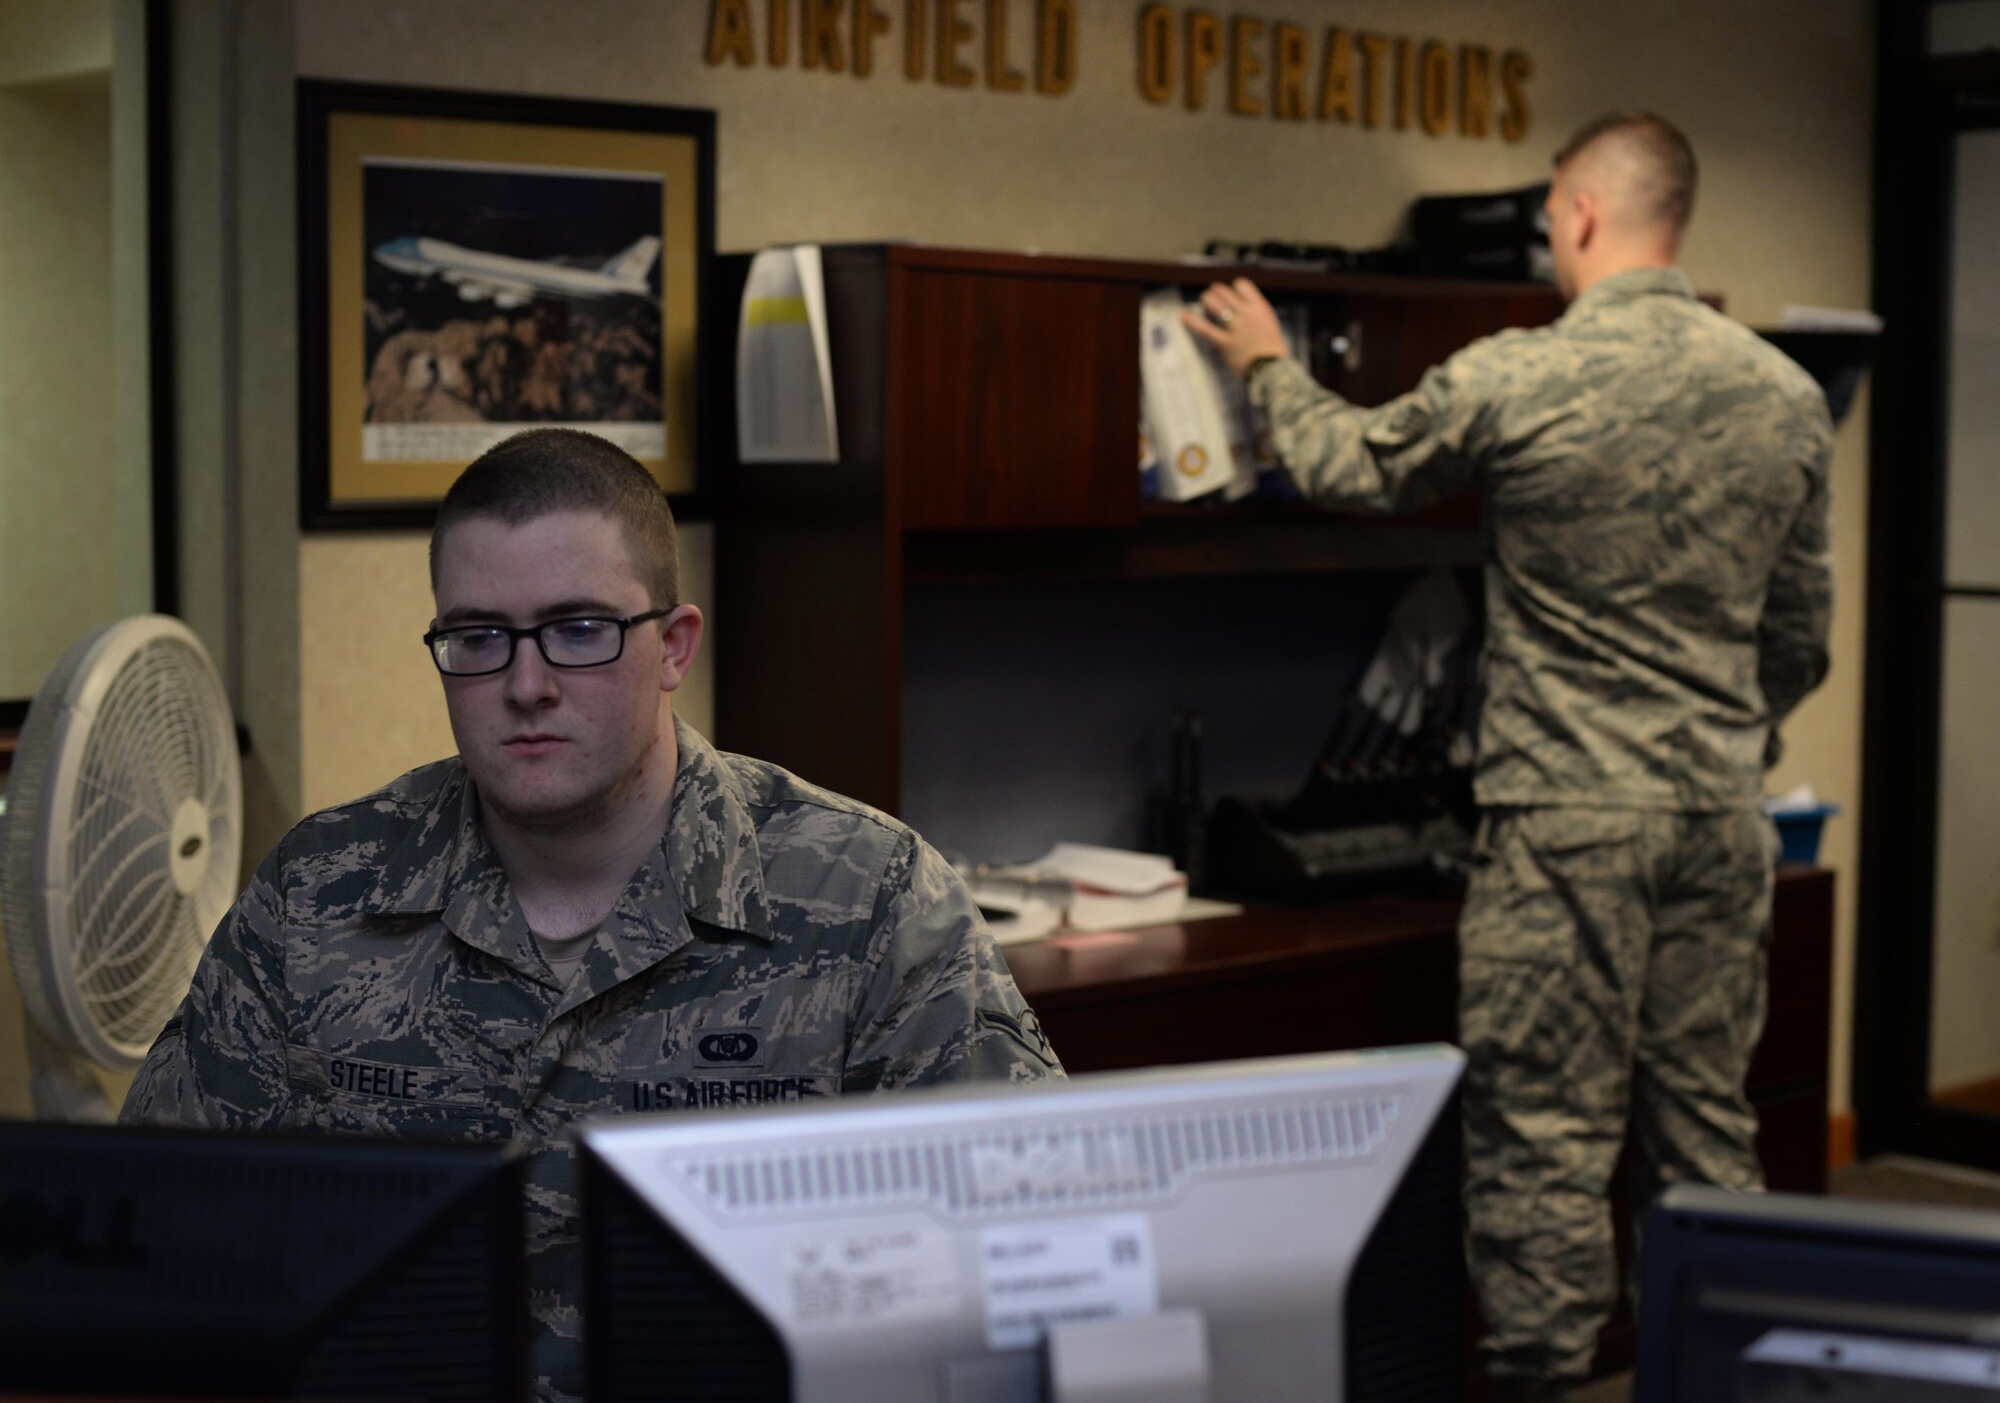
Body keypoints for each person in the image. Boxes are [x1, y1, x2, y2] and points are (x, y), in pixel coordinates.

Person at [120, 427, 1064, 1401]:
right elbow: (155, 1237)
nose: (525, 686)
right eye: (479, 638)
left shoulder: (867, 897)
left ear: (673, 646)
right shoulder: (319, 893)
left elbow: (1028, 1262)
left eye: (578, 629)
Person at [1185, 111, 1833, 1401]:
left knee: (1544, 1140)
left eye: (1549, 215)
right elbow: (1799, 641)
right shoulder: (1784, 395)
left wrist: (1265, 361)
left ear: (1579, 213)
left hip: (1563, 827)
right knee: (1707, 1133)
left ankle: (1543, 1383)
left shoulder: (1524, 375)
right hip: (1715, 819)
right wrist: (1715, 740)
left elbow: (1345, 463)